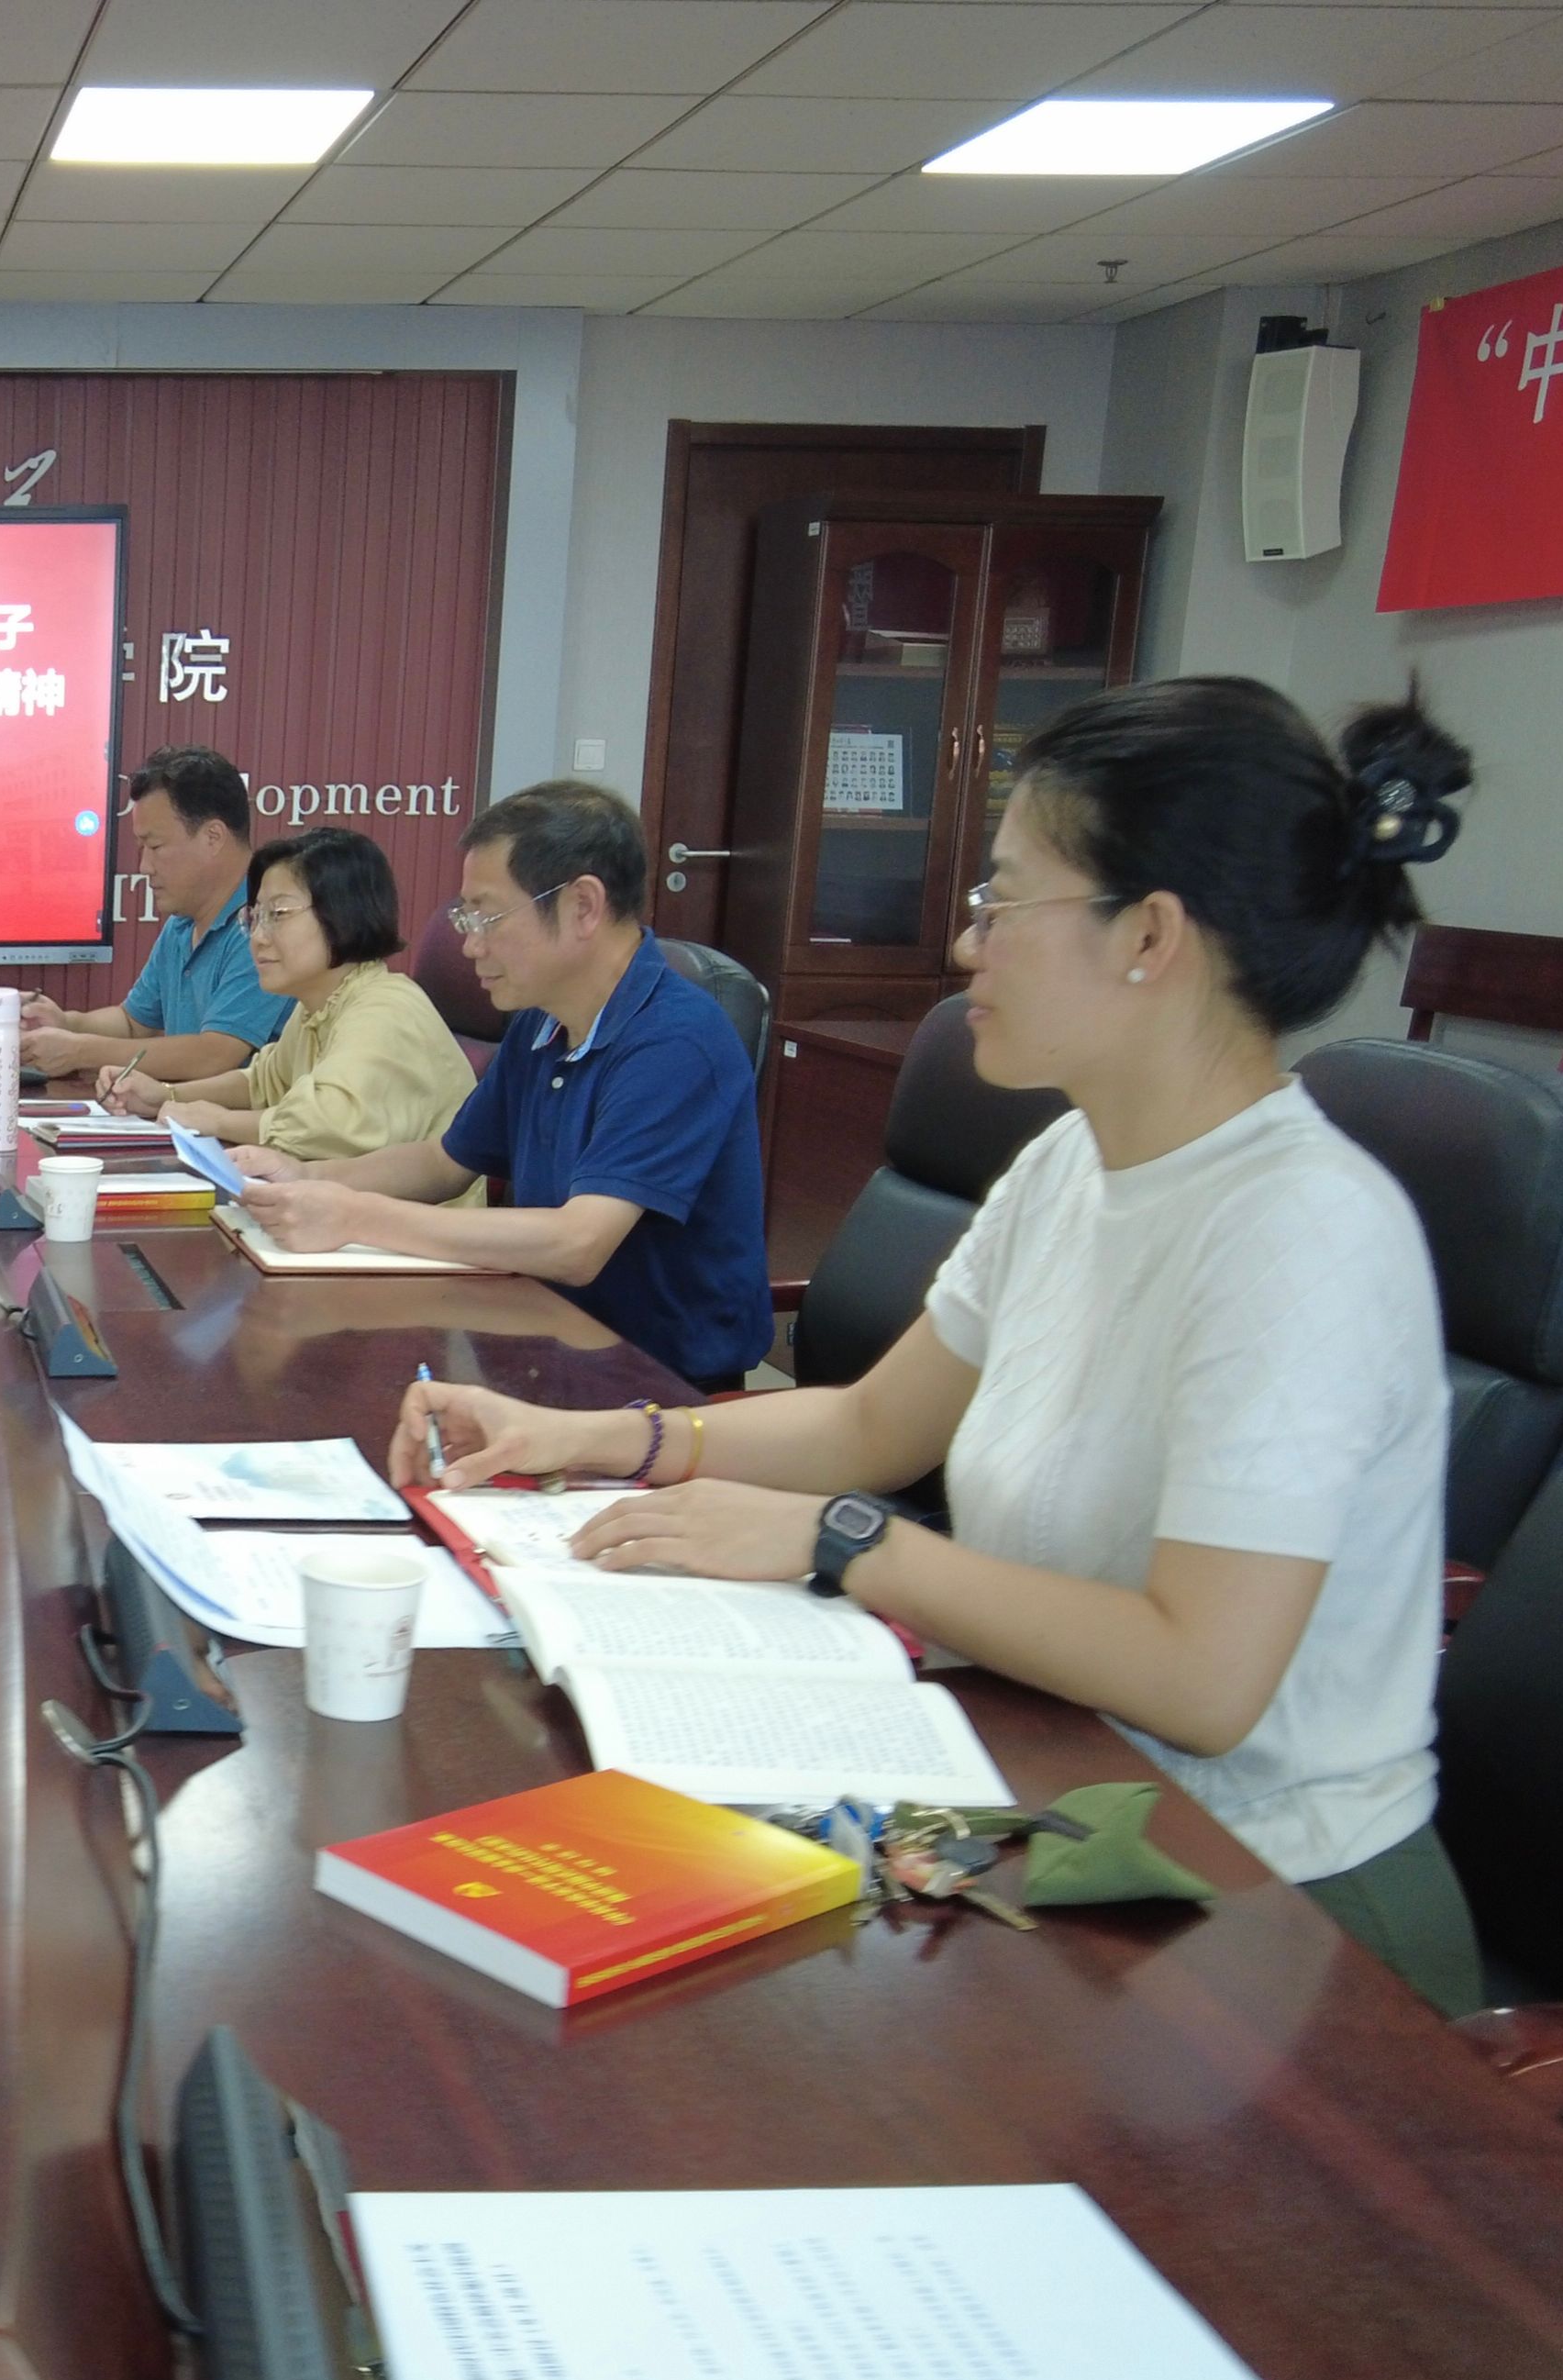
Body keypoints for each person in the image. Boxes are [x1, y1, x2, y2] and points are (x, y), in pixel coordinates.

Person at [400, 679, 1482, 2013]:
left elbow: (1202, 1677)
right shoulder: (1072, 1162)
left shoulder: (1299, 1230)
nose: (967, 946)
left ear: (1148, 935)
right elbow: (868, 1424)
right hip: (1057, 1784)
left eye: (1001, 903)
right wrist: (585, 1439)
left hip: (1274, 1903)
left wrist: (845, 1541)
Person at [230, 780, 769, 1394]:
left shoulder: (676, 1041)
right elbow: (444, 1162)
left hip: (657, 1385)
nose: (470, 943)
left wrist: (355, 1215)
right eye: (466, 918)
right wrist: (304, 1176)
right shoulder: (542, 1022)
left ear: (583, 906)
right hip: (541, 1340)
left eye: (486, 916)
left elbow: (578, 1243)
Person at [99, 829, 474, 1171]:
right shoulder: (320, 1003)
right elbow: (263, 1082)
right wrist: (164, 1095)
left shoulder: (386, 1008)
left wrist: (219, 1121)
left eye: (278, 914)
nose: (258, 937)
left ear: (344, 912)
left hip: (410, 1218)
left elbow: (330, 1124)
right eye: (255, 918)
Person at [17, 745, 286, 1081]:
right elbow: (133, 1023)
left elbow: (215, 1054)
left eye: (156, 847)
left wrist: (79, 1050)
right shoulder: (181, 925)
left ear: (213, 837)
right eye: (142, 848)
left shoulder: (265, 926)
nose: (144, 866)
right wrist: (65, 1022)